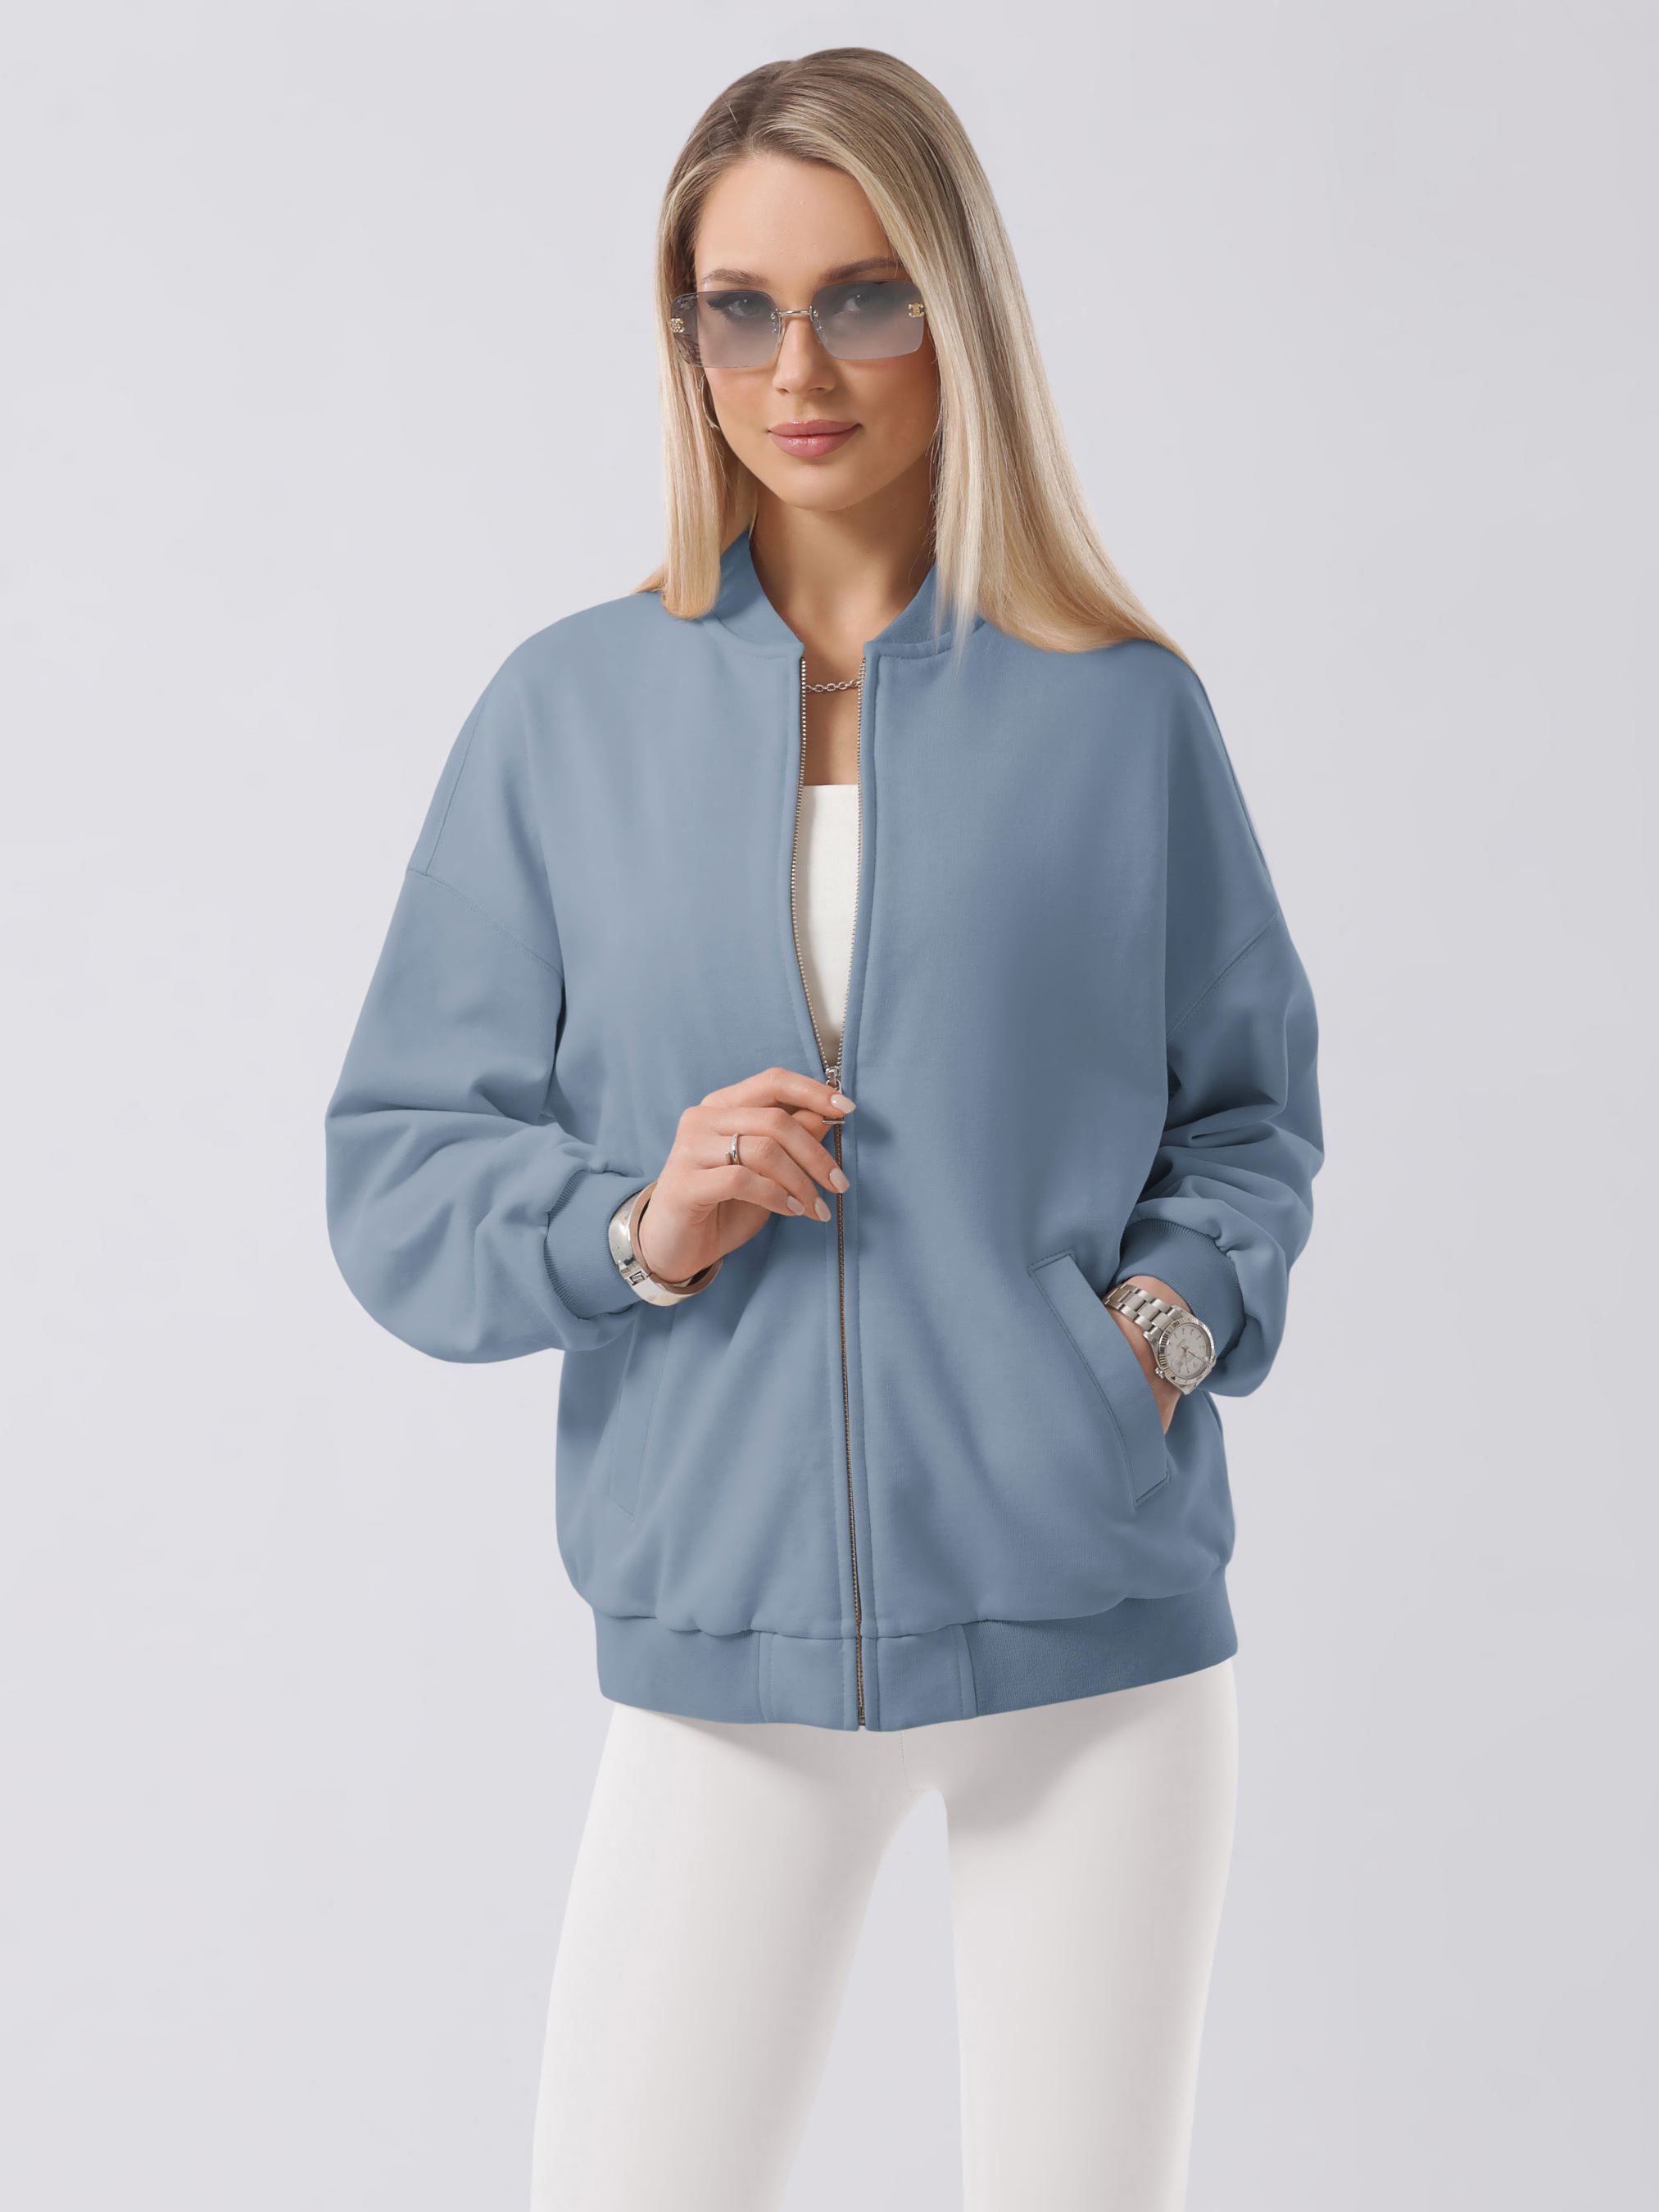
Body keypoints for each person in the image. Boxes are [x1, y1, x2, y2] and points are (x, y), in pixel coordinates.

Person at [324, 45, 1322, 2212]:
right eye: (740, 307)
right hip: (725, 1643)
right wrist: (640, 1227)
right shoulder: (566, 714)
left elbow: (1248, 1113)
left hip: (1092, 1648)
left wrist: (1145, 1343)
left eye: (863, 298)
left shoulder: (1120, 709)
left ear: (957, 314)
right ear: (682, 335)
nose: (798, 369)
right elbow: (400, 1155)